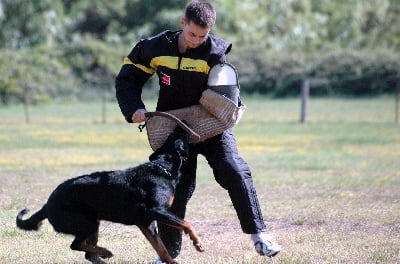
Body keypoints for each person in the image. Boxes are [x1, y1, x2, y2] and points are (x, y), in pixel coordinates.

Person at [115, 0, 281, 262]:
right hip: (174, 127)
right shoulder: (154, 48)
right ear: (183, 23)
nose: (196, 41)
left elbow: (226, 94)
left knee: (233, 169)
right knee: (174, 190)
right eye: (192, 34)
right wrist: (133, 108)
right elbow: (128, 77)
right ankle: (166, 255)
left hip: (211, 125)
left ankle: (259, 236)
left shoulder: (215, 53)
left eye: (203, 36)